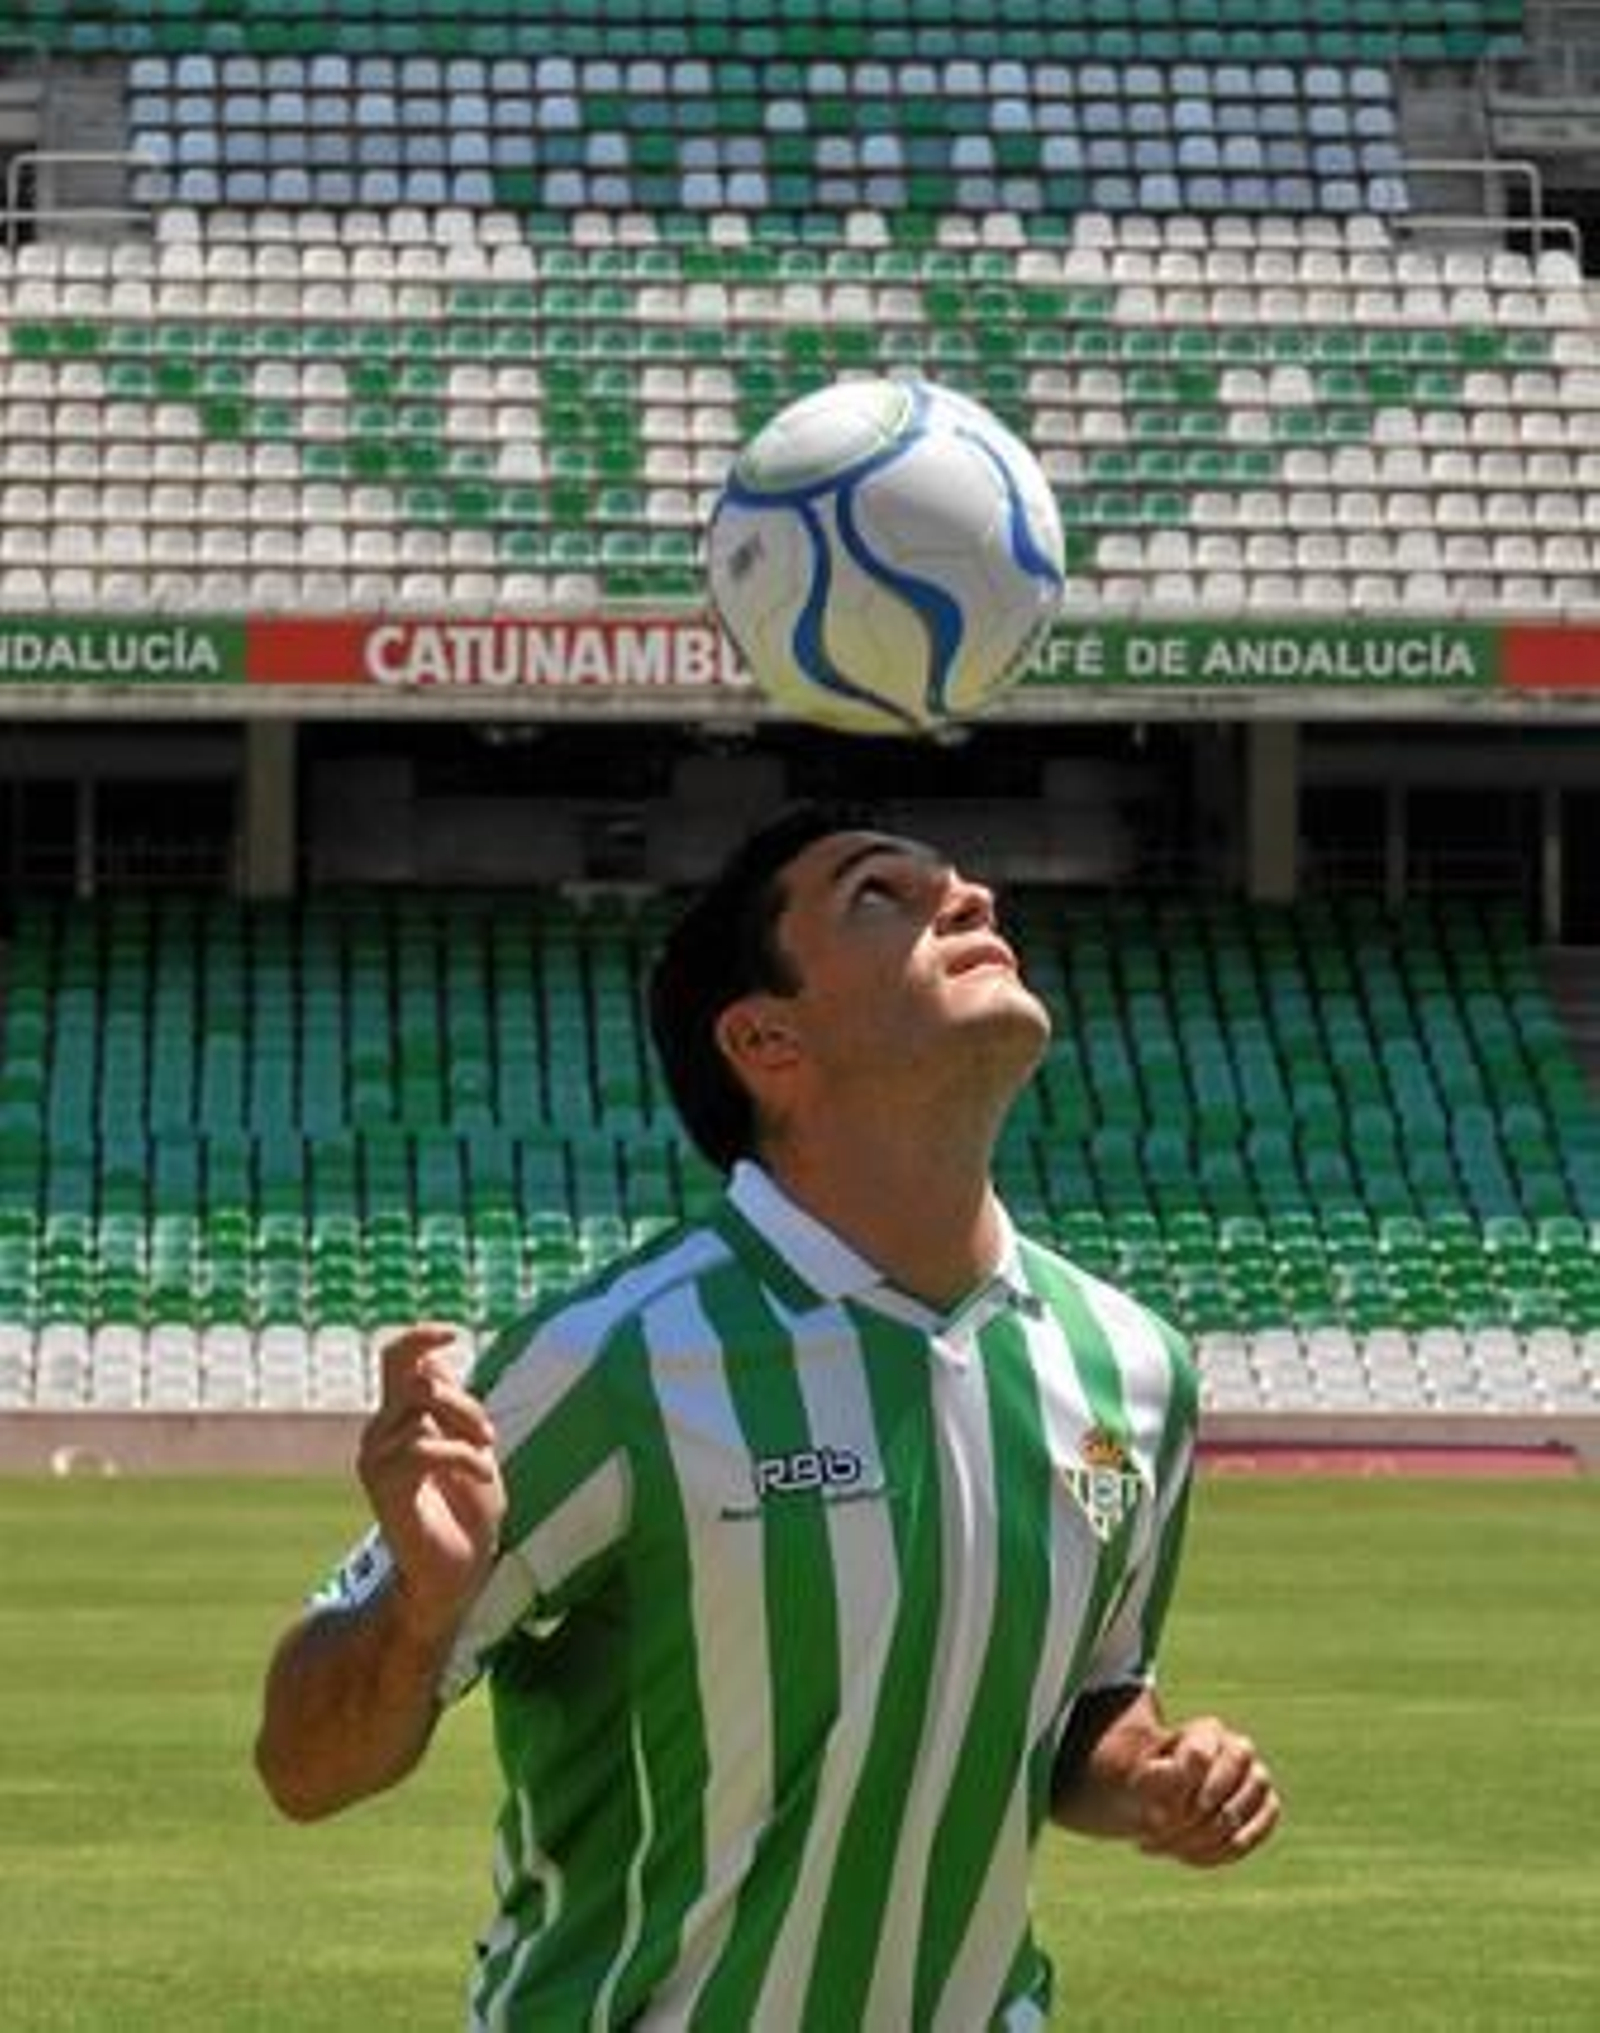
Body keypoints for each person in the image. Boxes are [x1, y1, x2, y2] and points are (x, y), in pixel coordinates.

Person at [256, 801, 1281, 2029]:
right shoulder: (611, 1361)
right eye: (879, 892)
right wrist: (417, 1611)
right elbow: (303, 1769)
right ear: (765, 1037)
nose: (970, 899)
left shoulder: (1134, 1366)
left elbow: (1092, 1710)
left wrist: (1157, 1775)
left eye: (961, 881)